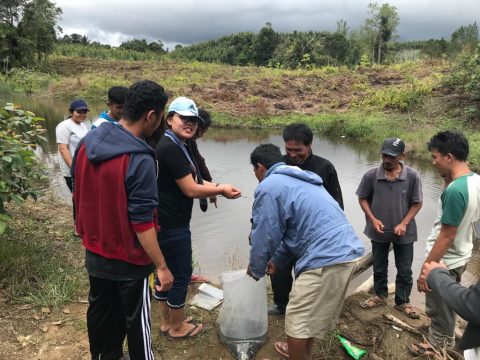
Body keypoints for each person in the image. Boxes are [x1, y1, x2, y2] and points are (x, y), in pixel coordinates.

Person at [71, 80, 174, 360]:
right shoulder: (139, 158)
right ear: (151, 116)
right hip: (129, 260)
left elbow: (77, 192)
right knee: (137, 321)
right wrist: (162, 266)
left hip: (95, 249)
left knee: (102, 311)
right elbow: (142, 223)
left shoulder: (88, 141)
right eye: (160, 117)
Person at [247, 143, 364, 360]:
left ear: (260, 167)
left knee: (297, 320)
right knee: (307, 318)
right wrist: (278, 260)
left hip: (324, 258)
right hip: (344, 254)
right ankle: (301, 354)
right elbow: (294, 231)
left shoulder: (269, 185)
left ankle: (297, 355)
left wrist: (255, 268)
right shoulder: (302, 180)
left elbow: (265, 234)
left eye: (255, 171)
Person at [154, 97, 241, 340]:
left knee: (167, 272)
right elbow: (191, 189)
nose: (190, 124)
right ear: (170, 119)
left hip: (164, 220)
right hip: (171, 223)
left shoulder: (177, 143)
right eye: (184, 118)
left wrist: (218, 186)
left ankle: (167, 321)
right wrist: (220, 189)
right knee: (181, 274)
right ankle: (177, 327)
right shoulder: (170, 147)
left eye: (194, 120)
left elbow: (196, 181)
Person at [269, 122, 344, 315]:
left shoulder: (324, 167)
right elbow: (267, 200)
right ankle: (281, 305)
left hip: (312, 235)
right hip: (284, 233)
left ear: (309, 145)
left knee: (308, 274)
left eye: (298, 150)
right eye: (289, 149)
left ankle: (303, 310)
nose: (293, 155)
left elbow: (336, 205)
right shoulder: (279, 165)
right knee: (279, 271)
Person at [416, 130, 480, 350]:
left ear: (449, 157)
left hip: (445, 260)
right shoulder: (474, 181)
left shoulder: (456, 191)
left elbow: (446, 235)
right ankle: (442, 333)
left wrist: (428, 269)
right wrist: (447, 179)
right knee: (448, 302)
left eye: (435, 157)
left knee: (439, 306)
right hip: (463, 253)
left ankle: (439, 343)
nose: (433, 162)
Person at [357, 137, 423, 318]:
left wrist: (404, 223)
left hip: (405, 232)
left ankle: (402, 302)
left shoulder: (412, 176)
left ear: (402, 156)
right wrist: (372, 219)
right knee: (379, 267)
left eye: (392, 157)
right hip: (378, 231)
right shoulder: (371, 175)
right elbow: (362, 198)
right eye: (385, 155)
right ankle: (379, 295)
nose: (387, 160)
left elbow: (417, 203)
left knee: (405, 269)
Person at [411, 261, 480, 359]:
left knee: (440, 307)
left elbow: (473, 305)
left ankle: (439, 346)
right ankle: (442, 341)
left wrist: (435, 274)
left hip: (447, 263)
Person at [56, 99, 89, 193]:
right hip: (72, 170)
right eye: (79, 112)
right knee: (77, 196)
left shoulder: (82, 125)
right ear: (71, 112)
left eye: (85, 112)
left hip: (82, 167)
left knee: (85, 196)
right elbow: (62, 149)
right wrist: (74, 169)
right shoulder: (64, 126)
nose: (82, 114)